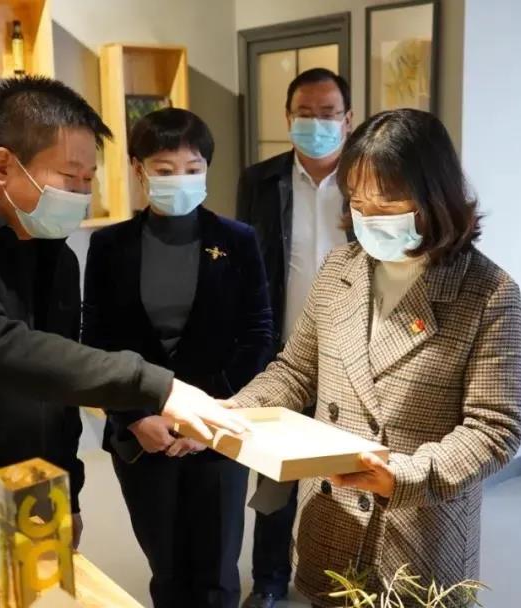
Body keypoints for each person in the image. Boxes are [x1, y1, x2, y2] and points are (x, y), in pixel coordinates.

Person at [0, 77, 247, 556]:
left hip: (30, 504)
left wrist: (68, 494)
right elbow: (2, 347)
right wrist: (158, 386)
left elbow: (58, 398)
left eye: (88, 179)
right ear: (2, 166)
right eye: (69, 176)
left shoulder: (56, 256)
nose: (81, 193)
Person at [228, 109, 521, 607]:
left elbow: (495, 427)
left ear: (434, 196)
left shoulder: (487, 291)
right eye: (358, 202)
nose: (368, 219)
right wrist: (240, 408)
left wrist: (403, 476)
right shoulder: (339, 268)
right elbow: (297, 370)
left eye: (386, 204)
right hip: (333, 514)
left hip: (419, 524)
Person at [81, 108, 273, 608]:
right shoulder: (109, 246)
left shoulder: (237, 240)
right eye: (165, 170)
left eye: (193, 168)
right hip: (142, 433)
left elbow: (257, 335)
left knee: (218, 570)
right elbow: (96, 342)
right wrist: (133, 416)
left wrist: (205, 418)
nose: (180, 179)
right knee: (166, 567)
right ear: (138, 169)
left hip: (217, 428)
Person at [235, 67, 354, 608]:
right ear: (287, 118)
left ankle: (338, 578)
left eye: (328, 113)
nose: (317, 123)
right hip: (282, 349)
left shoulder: (367, 179)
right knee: (276, 473)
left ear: (348, 119)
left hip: (352, 353)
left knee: (343, 474)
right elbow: (246, 268)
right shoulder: (259, 181)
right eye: (305, 113)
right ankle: (268, 579)